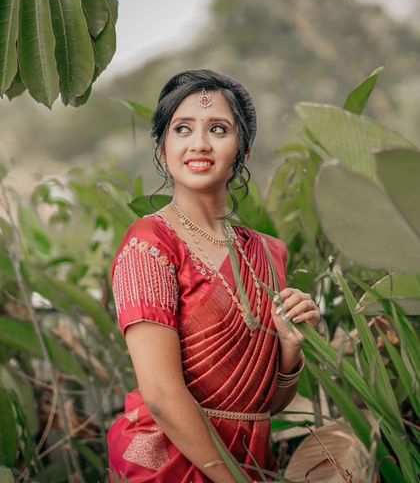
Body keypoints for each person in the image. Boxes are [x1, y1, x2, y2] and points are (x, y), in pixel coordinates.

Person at [107, 69, 320, 482]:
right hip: (166, 462)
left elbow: (266, 404)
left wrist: (291, 348)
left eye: (218, 129)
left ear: (244, 150)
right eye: (182, 128)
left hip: (253, 460)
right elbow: (163, 396)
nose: (199, 143)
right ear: (163, 145)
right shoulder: (150, 244)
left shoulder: (270, 252)